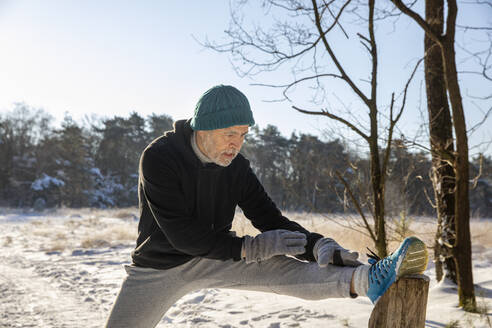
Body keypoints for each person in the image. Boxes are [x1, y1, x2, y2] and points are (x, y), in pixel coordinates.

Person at [105, 85, 429, 328]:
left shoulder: (237, 167)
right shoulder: (160, 158)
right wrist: (249, 248)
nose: (237, 143)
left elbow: (269, 218)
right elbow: (182, 235)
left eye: (243, 135)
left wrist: (317, 246)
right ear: (201, 129)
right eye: (229, 133)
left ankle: (369, 279)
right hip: (157, 267)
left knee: (286, 269)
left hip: (218, 256)